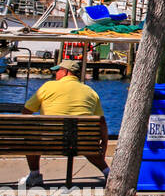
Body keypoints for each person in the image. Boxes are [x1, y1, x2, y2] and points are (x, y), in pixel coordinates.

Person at [21, 58, 110, 187]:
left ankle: (34, 174)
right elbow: (101, 122)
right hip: (82, 143)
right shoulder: (91, 92)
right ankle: (108, 173)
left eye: (58, 71)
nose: (55, 74)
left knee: (32, 138)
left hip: (49, 142)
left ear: (66, 72)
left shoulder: (48, 87)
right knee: (85, 141)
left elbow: (26, 112)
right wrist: (105, 143)